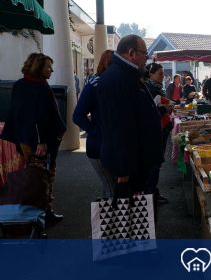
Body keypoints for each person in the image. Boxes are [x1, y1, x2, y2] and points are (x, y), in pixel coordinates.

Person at [1, 53, 67, 222]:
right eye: (48, 67)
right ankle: (40, 214)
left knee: (39, 176)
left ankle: (40, 211)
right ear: (38, 67)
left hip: (32, 140)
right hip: (37, 143)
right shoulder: (34, 87)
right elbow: (32, 117)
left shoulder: (27, 85)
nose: (51, 70)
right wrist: (40, 141)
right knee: (40, 177)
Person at [97, 34, 163, 196]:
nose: (146, 59)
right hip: (130, 167)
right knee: (133, 215)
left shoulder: (127, 75)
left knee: (139, 213)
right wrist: (123, 171)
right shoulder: (118, 78)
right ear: (132, 53)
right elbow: (119, 127)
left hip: (136, 162)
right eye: (144, 54)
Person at [73, 49, 115, 200]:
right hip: (98, 146)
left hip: (109, 145)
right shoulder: (95, 84)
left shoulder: (113, 84)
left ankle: (109, 221)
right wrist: (96, 132)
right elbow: (78, 115)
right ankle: (111, 222)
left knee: (110, 188)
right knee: (112, 190)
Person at [143, 62, 172, 204]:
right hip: (156, 129)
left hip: (161, 127)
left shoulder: (156, 88)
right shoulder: (150, 89)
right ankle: (151, 193)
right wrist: (165, 109)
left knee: (157, 162)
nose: (162, 76)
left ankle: (153, 192)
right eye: (160, 74)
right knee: (155, 162)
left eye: (163, 73)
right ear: (150, 74)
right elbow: (150, 113)